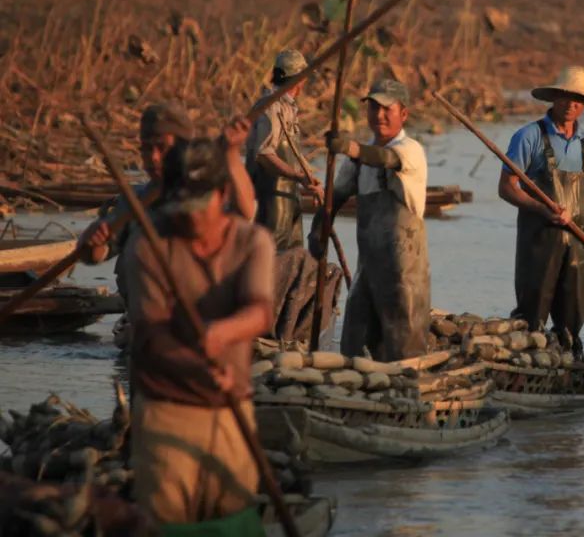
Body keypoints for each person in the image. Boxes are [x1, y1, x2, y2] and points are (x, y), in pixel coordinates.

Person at [125, 138, 275, 528]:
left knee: (234, 518)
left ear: (222, 194)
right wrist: (196, 366)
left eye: (198, 207)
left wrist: (219, 335)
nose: (189, 220)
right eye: (180, 208)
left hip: (231, 407)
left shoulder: (251, 242)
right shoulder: (150, 245)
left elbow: (260, 312)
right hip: (167, 409)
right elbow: (150, 337)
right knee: (169, 522)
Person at [498, 66, 584, 360]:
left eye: (578, 100)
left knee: (572, 311)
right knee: (533, 308)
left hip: (579, 240)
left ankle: (568, 358)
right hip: (540, 238)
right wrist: (541, 208)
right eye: (566, 97)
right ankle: (529, 359)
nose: (571, 105)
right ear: (554, 97)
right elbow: (507, 187)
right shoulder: (528, 136)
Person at [78, 104, 254, 305]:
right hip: (151, 314)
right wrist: (93, 240)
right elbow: (96, 255)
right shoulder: (134, 200)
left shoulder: (207, 195)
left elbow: (245, 212)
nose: (153, 158)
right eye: (147, 149)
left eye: (162, 148)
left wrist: (231, 153)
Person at [312, 78, 431, 360]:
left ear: (403, 114)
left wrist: (350, 148)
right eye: (374, 108)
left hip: (404, 271)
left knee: (404, 341)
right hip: (369, 266)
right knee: (354, 338)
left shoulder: (409, 149)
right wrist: (318, 231)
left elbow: (386, 159)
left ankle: (406, 393)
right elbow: (336, 195)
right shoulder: (357, 161)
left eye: (387, 109)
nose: (379, 116)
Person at [247, 48, 323, 251]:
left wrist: (310, 180)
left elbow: (292, 151)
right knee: (272, 252)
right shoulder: (271, 107)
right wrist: (299, 177)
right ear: (299, 79)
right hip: (272, 196)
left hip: (291, 195)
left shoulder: (289, 107)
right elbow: (264, 155)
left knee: (294, 255)